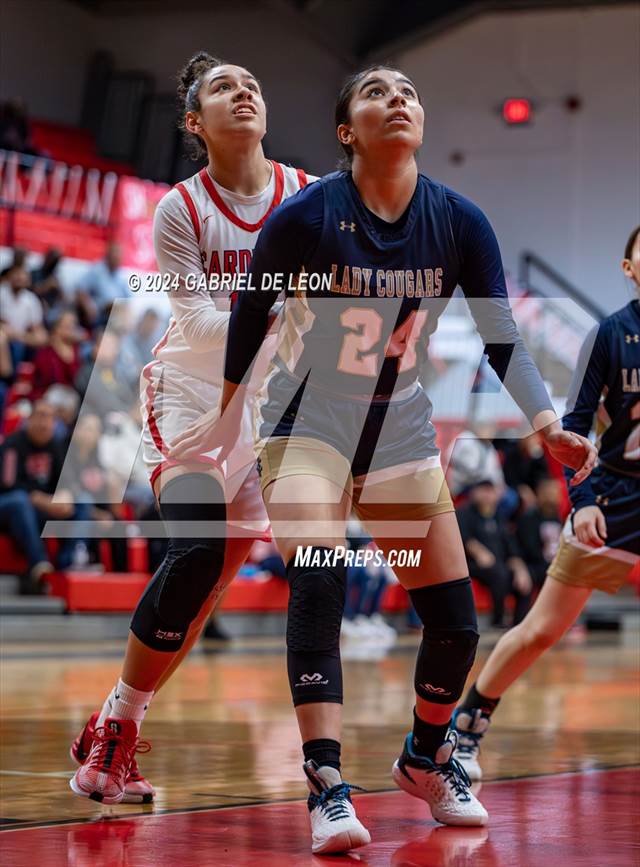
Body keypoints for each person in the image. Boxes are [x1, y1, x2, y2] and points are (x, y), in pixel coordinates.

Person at [173, 65, 596, 853]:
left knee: (456, 625)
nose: (397, 98)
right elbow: (249, 311)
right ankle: (327, 783)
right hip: (306, 424)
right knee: (321, 572)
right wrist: (227, 417)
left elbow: (503, 335)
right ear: (347, 131)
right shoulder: (306, 215)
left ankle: (425, 755)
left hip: (399, 430)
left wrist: (545, 422)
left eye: (407, 91)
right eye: (375, 92)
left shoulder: (460, 222)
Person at [69, 52, 314, 806]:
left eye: (253, 83)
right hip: (192, 402)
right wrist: (284, 306)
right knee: (196, 549)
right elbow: (202, 322)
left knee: (212, 582)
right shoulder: (182, 206)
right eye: (223, 88)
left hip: (269, 408)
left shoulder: (304, 194)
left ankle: (118, 722)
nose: (244, 92)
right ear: (194, 122)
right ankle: (117, 727)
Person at [451, 225, 640, 782]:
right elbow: (575, 427)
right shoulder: (611, 335)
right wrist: (581, 499)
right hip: (614, 495)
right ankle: (467, 722)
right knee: (542, 630)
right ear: (628, 268)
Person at [0, 400, 75, 591]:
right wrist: (39, 499)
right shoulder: (13, 444)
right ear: (29, 419)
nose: (44, 423)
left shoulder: (56, 446)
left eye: (49, 418)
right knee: (19, 500)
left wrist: (65, 496)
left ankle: (69, 563)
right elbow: (8, 484)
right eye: (40, 416)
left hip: (39, 508)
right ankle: (39, 564)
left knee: (81, 504)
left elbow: (65, 482)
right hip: (9, 505)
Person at [457, 480, 533, 627]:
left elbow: (511, 549)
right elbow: (463, 538)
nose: (486, 495)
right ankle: (497, 621)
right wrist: (478, 552)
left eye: (490, 491)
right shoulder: (464, 513)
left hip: (498, 565)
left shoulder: (499, 517)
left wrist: (520, 569)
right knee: (500, 574)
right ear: (474, 493)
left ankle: (519, 625)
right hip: (471, 564)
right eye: (483, 491)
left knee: (524, 579)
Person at [32, 309, 82, 398]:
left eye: (73, 324)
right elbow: (46, 378)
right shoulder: (46, 351)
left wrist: (68, 358)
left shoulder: (77, 349)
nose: (71, 327)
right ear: (56, 328)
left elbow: (79, 380)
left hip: (72, 395)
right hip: (47, 394)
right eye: (66, 325)